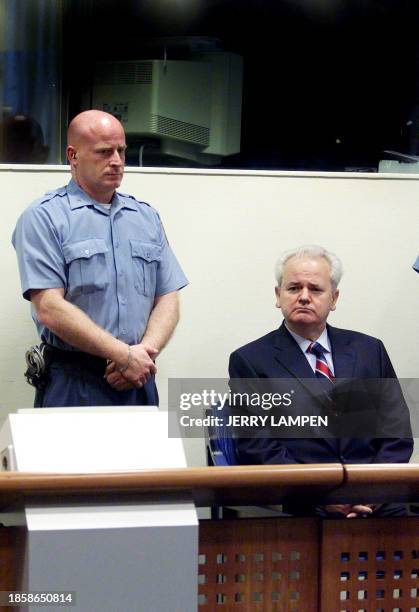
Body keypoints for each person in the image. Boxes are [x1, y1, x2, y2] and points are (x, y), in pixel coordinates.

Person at [12, 110, 187, 407]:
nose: (117, 161)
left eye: (121, 151)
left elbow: (168, 297)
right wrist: (123, 355)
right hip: (74, 378)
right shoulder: (44, 217)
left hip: (138, 376)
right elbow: (49, 307)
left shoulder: (145, 217)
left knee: (145, 456)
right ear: (73, 155)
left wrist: (144, 352)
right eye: (104, 152)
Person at [229, 244, 413, 517]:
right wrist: (322, 496)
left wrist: (371, 491)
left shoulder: (369, 351)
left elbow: (396, 432)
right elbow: (257, 446)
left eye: (315, 289)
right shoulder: (250, 361)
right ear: (278, 295)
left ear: (334, 298)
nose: (304, 297)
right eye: (293, 288)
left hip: (378, 502)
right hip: (304, 505)